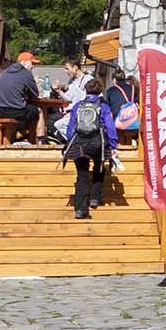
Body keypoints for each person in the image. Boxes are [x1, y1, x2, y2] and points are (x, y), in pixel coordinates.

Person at [60, 65, 128, 219]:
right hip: (97, 142)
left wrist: (71, 142)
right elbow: (110, 127)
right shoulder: (103, 107)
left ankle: (80, 209)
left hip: (79, 143)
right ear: (100, 91)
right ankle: (95, 197)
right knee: (99, 167)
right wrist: (113, 144)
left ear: (86, 91)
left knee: (82, 175)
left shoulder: (78, 106)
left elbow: (71, 127)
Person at [0, 50, 43, 135]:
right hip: (15, 111)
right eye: (32, 63)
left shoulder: (5, 72)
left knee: (27, 112)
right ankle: (40, 141)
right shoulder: (26, 73)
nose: (33, 67)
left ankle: (16, 138)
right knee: (38, 111)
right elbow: (35, 95)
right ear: (24, 62)